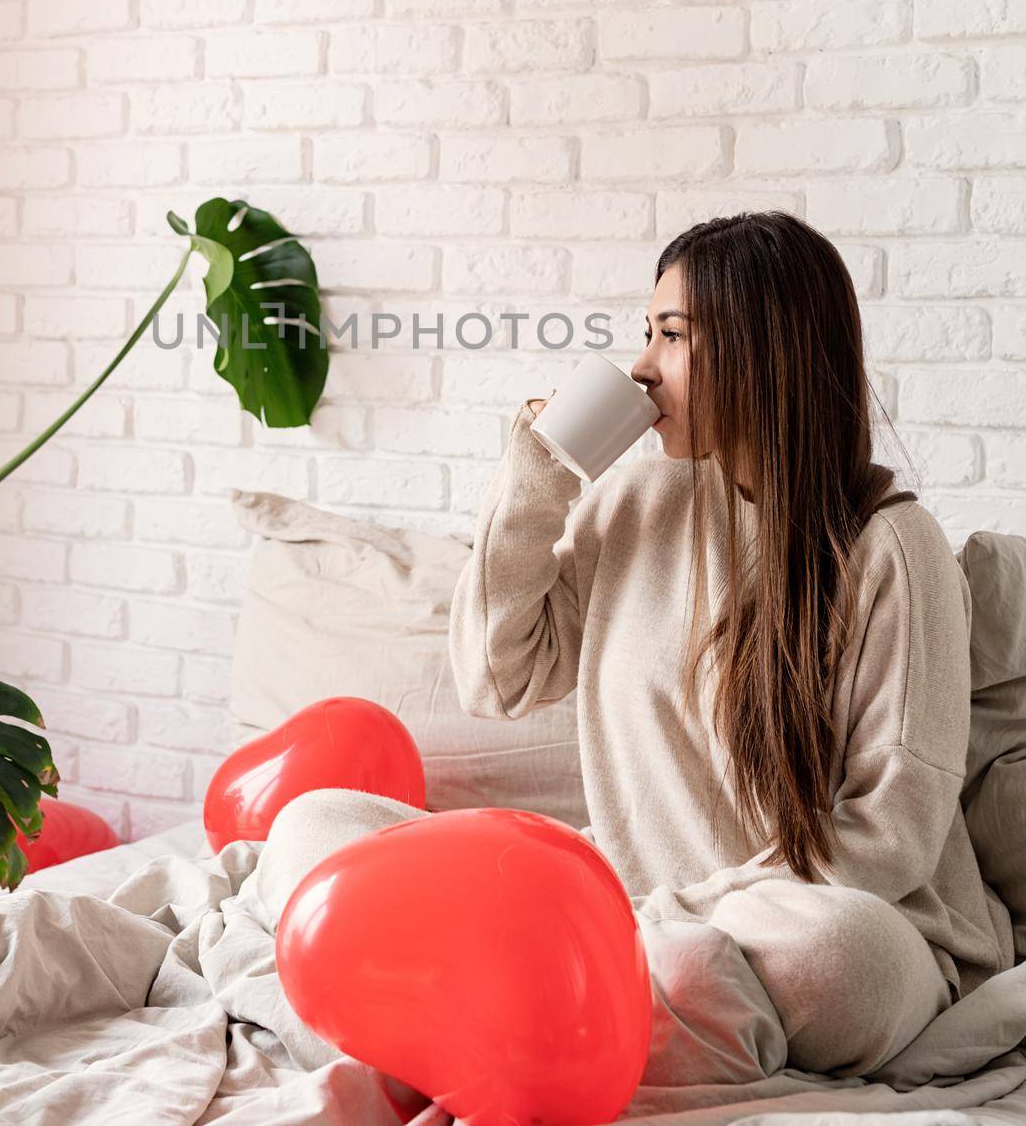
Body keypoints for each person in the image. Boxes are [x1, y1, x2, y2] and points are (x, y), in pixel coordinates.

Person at [255, 212, 1015, 1082]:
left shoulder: (892, 548)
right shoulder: (640, 500)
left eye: (671, 334)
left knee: (831, 952)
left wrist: (651, 916)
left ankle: (504, 1005)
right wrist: (539, 471)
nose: (641, 364)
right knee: (312, 826)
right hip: (628, 917)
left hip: (832, 926)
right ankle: (557, 998)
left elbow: (888, 840)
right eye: (643, 333)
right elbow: (494, 678)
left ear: (762, 349)